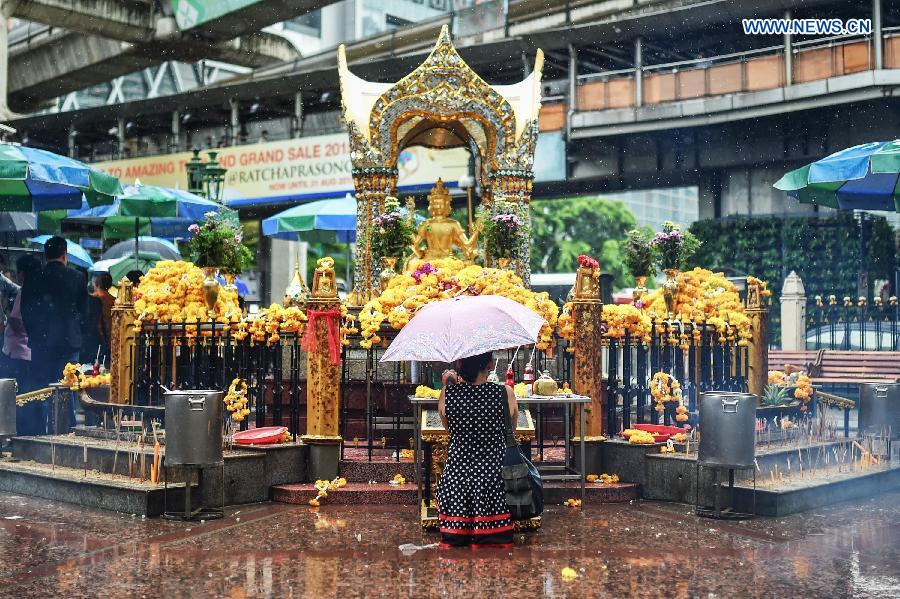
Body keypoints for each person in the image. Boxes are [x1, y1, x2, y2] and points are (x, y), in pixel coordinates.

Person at [437, 351, 517, 548]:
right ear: (489, 364)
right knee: (494, 543)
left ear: (461, 365)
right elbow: (511, 430)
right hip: (494, 476)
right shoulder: (504, 393)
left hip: (457, 475)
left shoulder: (448, 393)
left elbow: (449, 430)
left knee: (456, 544)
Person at [21, 237, 88, 428]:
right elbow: (84, 314)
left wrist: (35, 334)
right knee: (68, 389)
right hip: (69, 345)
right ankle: (66, 431)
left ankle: (41, 431)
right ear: (65, 255)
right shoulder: (77, 277)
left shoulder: (34, 277)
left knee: (42, 390)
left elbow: (26, 311)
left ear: (45, 255)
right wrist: (77, 334)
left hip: (41, 345)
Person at [3, 255, 42, 434]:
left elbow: (18, 322)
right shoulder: (37, 290)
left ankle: (18, 432)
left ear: (22, 273)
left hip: (18, 352)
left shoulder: (24, 291)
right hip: (26, 352)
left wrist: (6, 314)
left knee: (16, 396)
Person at [92, 273, 115, 363]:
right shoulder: (114, 301)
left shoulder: (92, 299)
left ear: (96, 284)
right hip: (111, 339)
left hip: (96, 338)